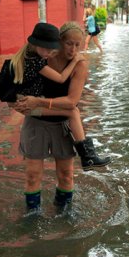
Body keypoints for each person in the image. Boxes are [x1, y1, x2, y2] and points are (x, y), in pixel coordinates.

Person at [14, 22, 111, 213]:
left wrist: (38, 102)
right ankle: (33, 216)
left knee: (66, 174)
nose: (73, 49)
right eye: (69, 44)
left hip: (62, 123)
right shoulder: (43, 57)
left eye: (78, 44)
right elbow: (19, 82)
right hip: (36, 122)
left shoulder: (80, 64)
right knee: (33, 176)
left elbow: (71, 102)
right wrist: (18, 102)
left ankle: (64, 213)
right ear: (59, 41)